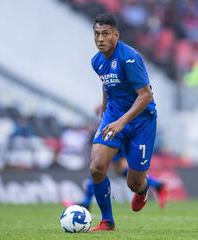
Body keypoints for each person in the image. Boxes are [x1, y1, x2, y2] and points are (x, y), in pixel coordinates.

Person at [87, 13, 157, 231]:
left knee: (133, 182)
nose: (100, 39)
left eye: (105, 34)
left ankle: (143, 190)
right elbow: (107, 83)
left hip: (141, 121)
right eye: (97, 34)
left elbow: (146, 96)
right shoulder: (96, 61)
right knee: (97, 167)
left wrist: (121, 122)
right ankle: (107, 221)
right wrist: (105, 105)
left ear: (116, 35)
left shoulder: (130, 58)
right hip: (113, 117)